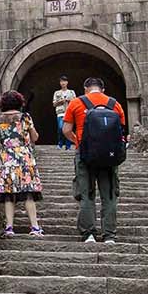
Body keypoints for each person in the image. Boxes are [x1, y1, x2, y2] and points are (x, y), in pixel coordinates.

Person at [62, 78, 127, 244]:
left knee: (86, 194)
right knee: (109, 195)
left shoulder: (76, 103)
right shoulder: (115, 104)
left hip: (85, 155)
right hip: (109, 157)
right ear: (102, 89)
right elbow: (122, 133)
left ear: (85, 89)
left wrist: (78, 141)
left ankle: (88, 234)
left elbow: (66, 130)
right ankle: (109, 235)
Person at [0, 91, 44, 236]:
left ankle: (9, 227)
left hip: (6, 158)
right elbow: (35, 137)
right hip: (23, 157)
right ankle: (34, 227)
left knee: (8, 194)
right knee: (28, 193)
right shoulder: (25, 117)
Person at [51, 76, 77, 149]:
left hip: (69, 112)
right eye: (61, 81)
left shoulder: (71, 92)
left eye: (64, 81)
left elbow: (75, 102)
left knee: (68, 129)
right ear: (60, 83)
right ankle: (60, 143)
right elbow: (54, 104)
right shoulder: (57, 93)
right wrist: (60, 101)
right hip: (60, 112)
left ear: (67, 82)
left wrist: (69, 100)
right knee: (60, 127)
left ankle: (68, 145)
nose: (63, 83)